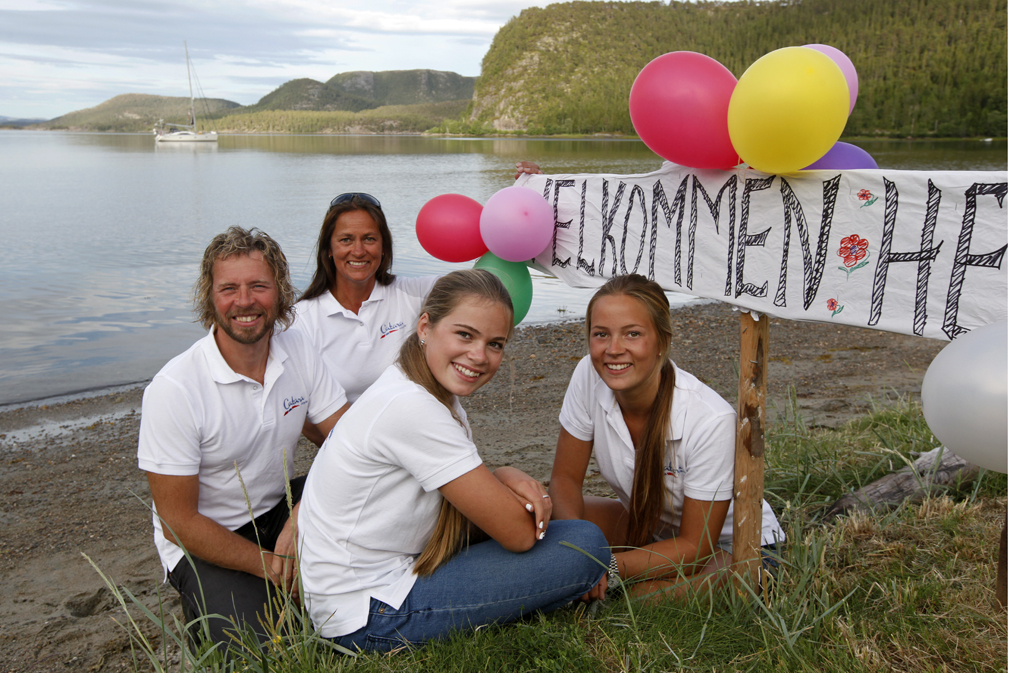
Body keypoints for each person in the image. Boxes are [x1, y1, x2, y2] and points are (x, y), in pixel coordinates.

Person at [297, 270, 610, 652]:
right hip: (368, 613)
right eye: (465, 334)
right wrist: (508, 475)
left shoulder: (421, 387)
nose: (479, 356)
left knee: (564, 532)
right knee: (585, 544)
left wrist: (502, 482)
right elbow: (519, 534)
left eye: (495, 344)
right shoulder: (412, 406)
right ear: (425, 326)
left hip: (363, 587)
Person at [137, 227, 350, 649]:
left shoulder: (299, 348)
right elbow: (177, 523)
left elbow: (351, 443)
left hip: (278, 508)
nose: (245, 301)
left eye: (258, 286)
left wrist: (301, 513)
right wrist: (272, 566)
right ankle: (212, 601)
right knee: (274, 647)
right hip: (204, 539)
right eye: (228, 288)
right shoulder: (175, 388)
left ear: (281, 291)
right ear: (209, 296)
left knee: (390, 486)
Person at [549, 274, 783, 599]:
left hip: (730, 544)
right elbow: (564, 479)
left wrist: (606, 566)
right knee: (538, 514)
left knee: (643, 599)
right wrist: (576, 550)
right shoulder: (588, 374)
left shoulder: (710, 420)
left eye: (632, 334)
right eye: (601, 334)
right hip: (651, 527)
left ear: (662, 341)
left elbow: (695, 547)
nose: (613, 349)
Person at [292, 193, 439, 408]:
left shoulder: (415, 293)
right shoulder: (301, 318)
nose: (359, 251)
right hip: (347, 438)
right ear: (329, 249)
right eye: (346, 240)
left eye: (369, 239)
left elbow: (482, 287)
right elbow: (298, 407)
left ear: (383, 247)